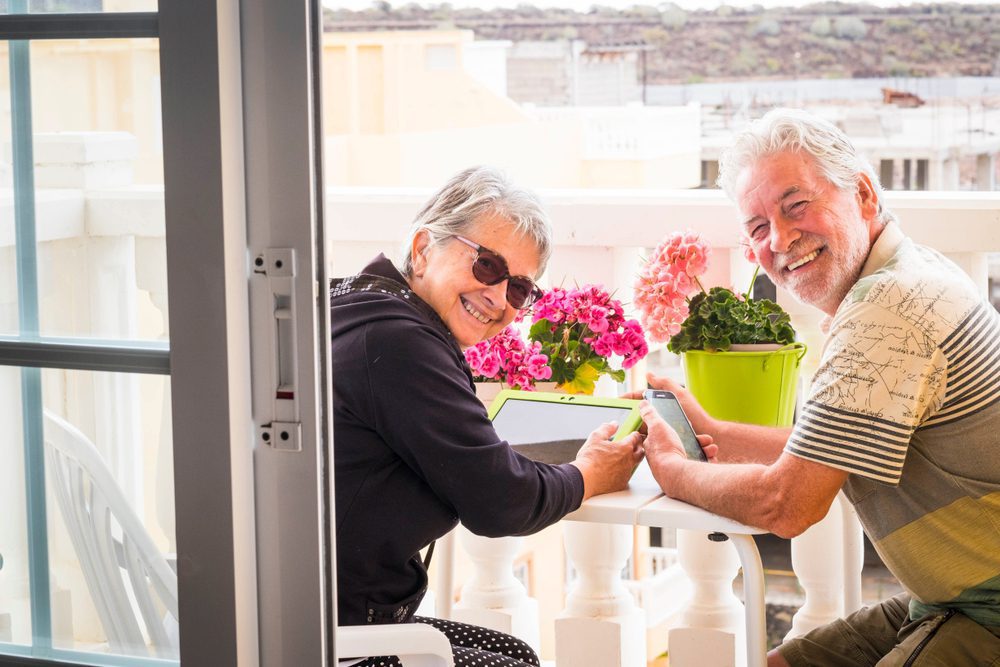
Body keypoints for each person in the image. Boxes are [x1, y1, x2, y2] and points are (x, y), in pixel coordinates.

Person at [638, 108, 1000, 666]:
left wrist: (674, 471)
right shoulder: (907, 273)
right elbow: (829, 448)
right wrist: (713, 433)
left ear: (862, 195)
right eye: (758, 227)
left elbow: (788, 504)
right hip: (948, 598)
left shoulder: (889, 311)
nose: (780, 238)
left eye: (796, 206)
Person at [330, 166, 644, 666]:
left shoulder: (356, 302)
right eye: (487, 266)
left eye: (519, 288)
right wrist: (587, 475)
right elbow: (501, 502)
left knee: (513, 650)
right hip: (334, 637)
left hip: (320, 614)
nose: (499, 297)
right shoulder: (399, 341)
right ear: (422, 248)